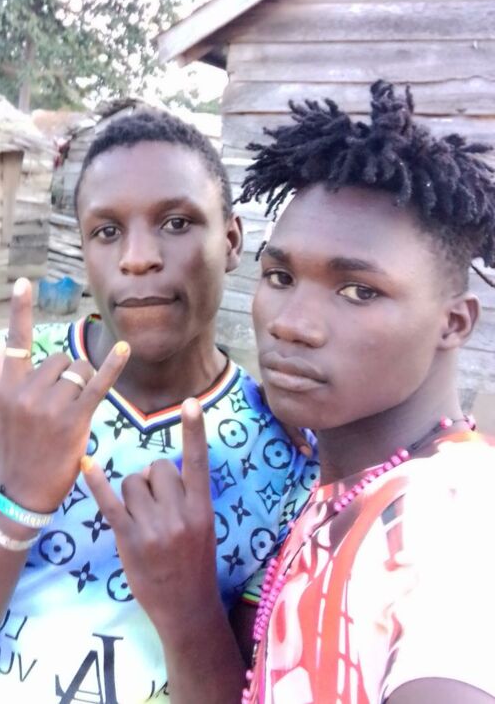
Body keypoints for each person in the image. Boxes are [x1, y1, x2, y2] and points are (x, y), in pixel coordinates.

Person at [0, 110, 315, 704]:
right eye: (106, 231)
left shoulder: (286, 454)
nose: (138, 257)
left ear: (230, 241)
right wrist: (16, 498)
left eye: (176, 222)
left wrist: (191, 608)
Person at [84, 83, 495, 703]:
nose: (291, 324)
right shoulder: (330, 483)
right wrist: (188, 605)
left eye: (358, 291)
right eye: (279, 276)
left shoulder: (453, 524)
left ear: (454, 323)